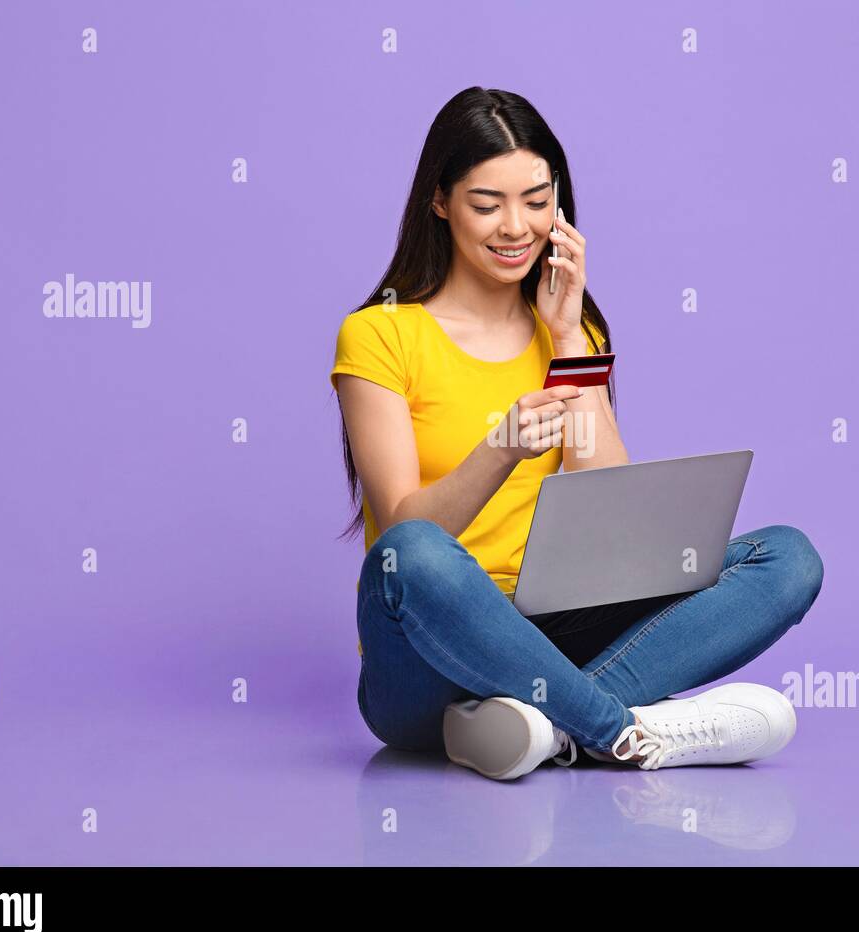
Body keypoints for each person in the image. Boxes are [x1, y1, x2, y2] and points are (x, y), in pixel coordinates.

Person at [329, 87, 824, 781]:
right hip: (426, 655)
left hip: (551, 628)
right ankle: (621, 732)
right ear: (439, 202)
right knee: (413, 553)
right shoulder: (379, 334)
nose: (515, 227)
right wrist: (500, 449)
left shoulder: (571, 332)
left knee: (787, 558)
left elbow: (615, 521)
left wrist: (566, 339)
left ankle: (539, 729)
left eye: (536, 201)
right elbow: (396, 544)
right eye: (487, 204)